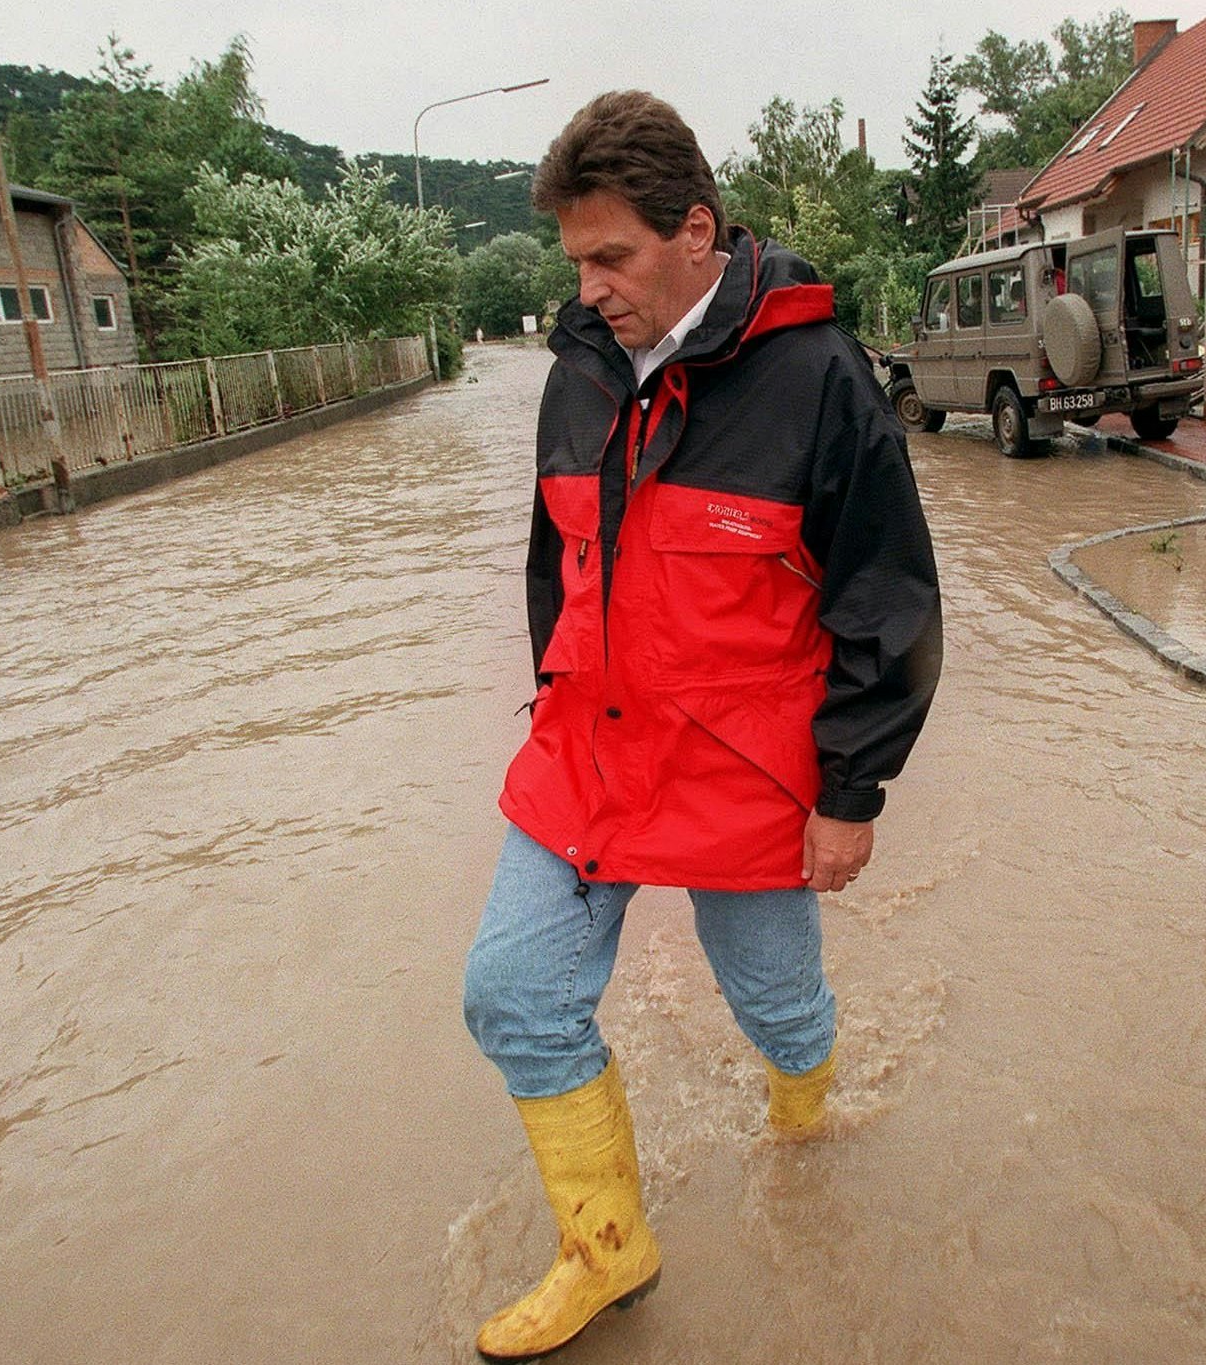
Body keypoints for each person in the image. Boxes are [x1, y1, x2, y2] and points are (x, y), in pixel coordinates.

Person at [461, 91, 942, 1362]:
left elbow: (886, 597)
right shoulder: (576, 369)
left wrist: (849, 793)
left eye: (610, 257)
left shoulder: (817, 379)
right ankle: (606, 1257)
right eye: (575, 260)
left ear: (696, 230)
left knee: (776, 1011)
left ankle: (805, 1129)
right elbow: (552, 570)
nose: (591, 285)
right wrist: (556, 697)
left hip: (743, 775)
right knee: (510, 994)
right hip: (587, 758)